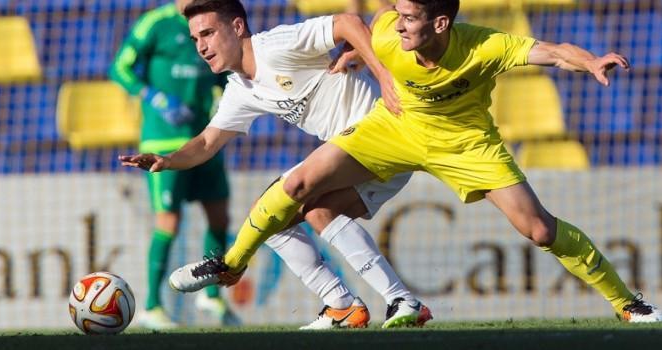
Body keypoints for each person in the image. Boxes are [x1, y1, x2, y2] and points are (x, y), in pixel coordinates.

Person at [166, 0, 662, 323]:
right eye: (399, 17)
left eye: (410, 19)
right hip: (392, 129)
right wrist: (370, 60)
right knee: (297, 189)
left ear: (441, 23)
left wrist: (590, 61)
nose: (399, 26)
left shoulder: (485, 45)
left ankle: (628, 302)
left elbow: (553, 52)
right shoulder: (389, 34)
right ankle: (234, 263)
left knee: (538, 230)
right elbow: (360, 23)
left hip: (466, 144)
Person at [119, 0, 432, 329]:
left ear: (237, 27)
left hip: (382, 133)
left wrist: (383, 75)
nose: (201, 46)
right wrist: (167, 160)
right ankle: (352, 305)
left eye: (208, 33)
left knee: (280, 199)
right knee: (289, 218)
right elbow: (207, 143)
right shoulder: (240, 89)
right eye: (196, 39)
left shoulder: (276, 45)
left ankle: (390, 301)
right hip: (357, 156)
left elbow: (348, 22)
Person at [109, 0, 239, 329]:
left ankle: (210, 294)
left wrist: (223, 102)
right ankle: (152, 305)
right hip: (163, 140)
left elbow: (223, 78)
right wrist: (156, 98)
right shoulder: (155, 23)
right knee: (169, 220)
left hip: (203, 140)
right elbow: (120, 68)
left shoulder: (212, 25)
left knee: (220, 215)